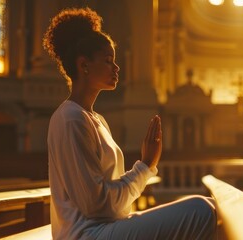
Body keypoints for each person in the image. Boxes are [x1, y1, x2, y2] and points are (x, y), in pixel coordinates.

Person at [44, 7, 217, 240]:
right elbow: (97, 205)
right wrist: (144, 166)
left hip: (107, 226)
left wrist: (144, 168)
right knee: (201, 211)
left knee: (210, 206)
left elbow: (106, 201)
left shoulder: (94, 119)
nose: (116, 68)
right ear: (84, 65)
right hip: (87, 234)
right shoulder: (70, 118)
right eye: (108, 61)